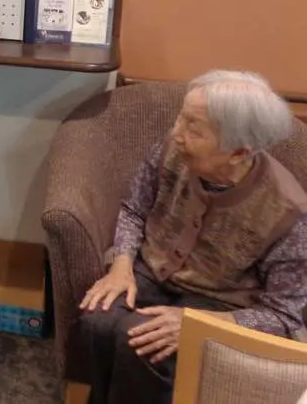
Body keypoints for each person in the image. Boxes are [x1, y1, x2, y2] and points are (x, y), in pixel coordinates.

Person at [78, 70, 307, 404]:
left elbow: (284, 315)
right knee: (95, 319)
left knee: (138, 342)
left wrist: (204, 324)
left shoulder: (290, 213)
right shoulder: (170, 149)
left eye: (193, 129)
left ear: (238, 152)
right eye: (180, 119)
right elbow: (134, 209)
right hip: (151, 268)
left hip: (221, 300)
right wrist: (121, 266)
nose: (177, 134)